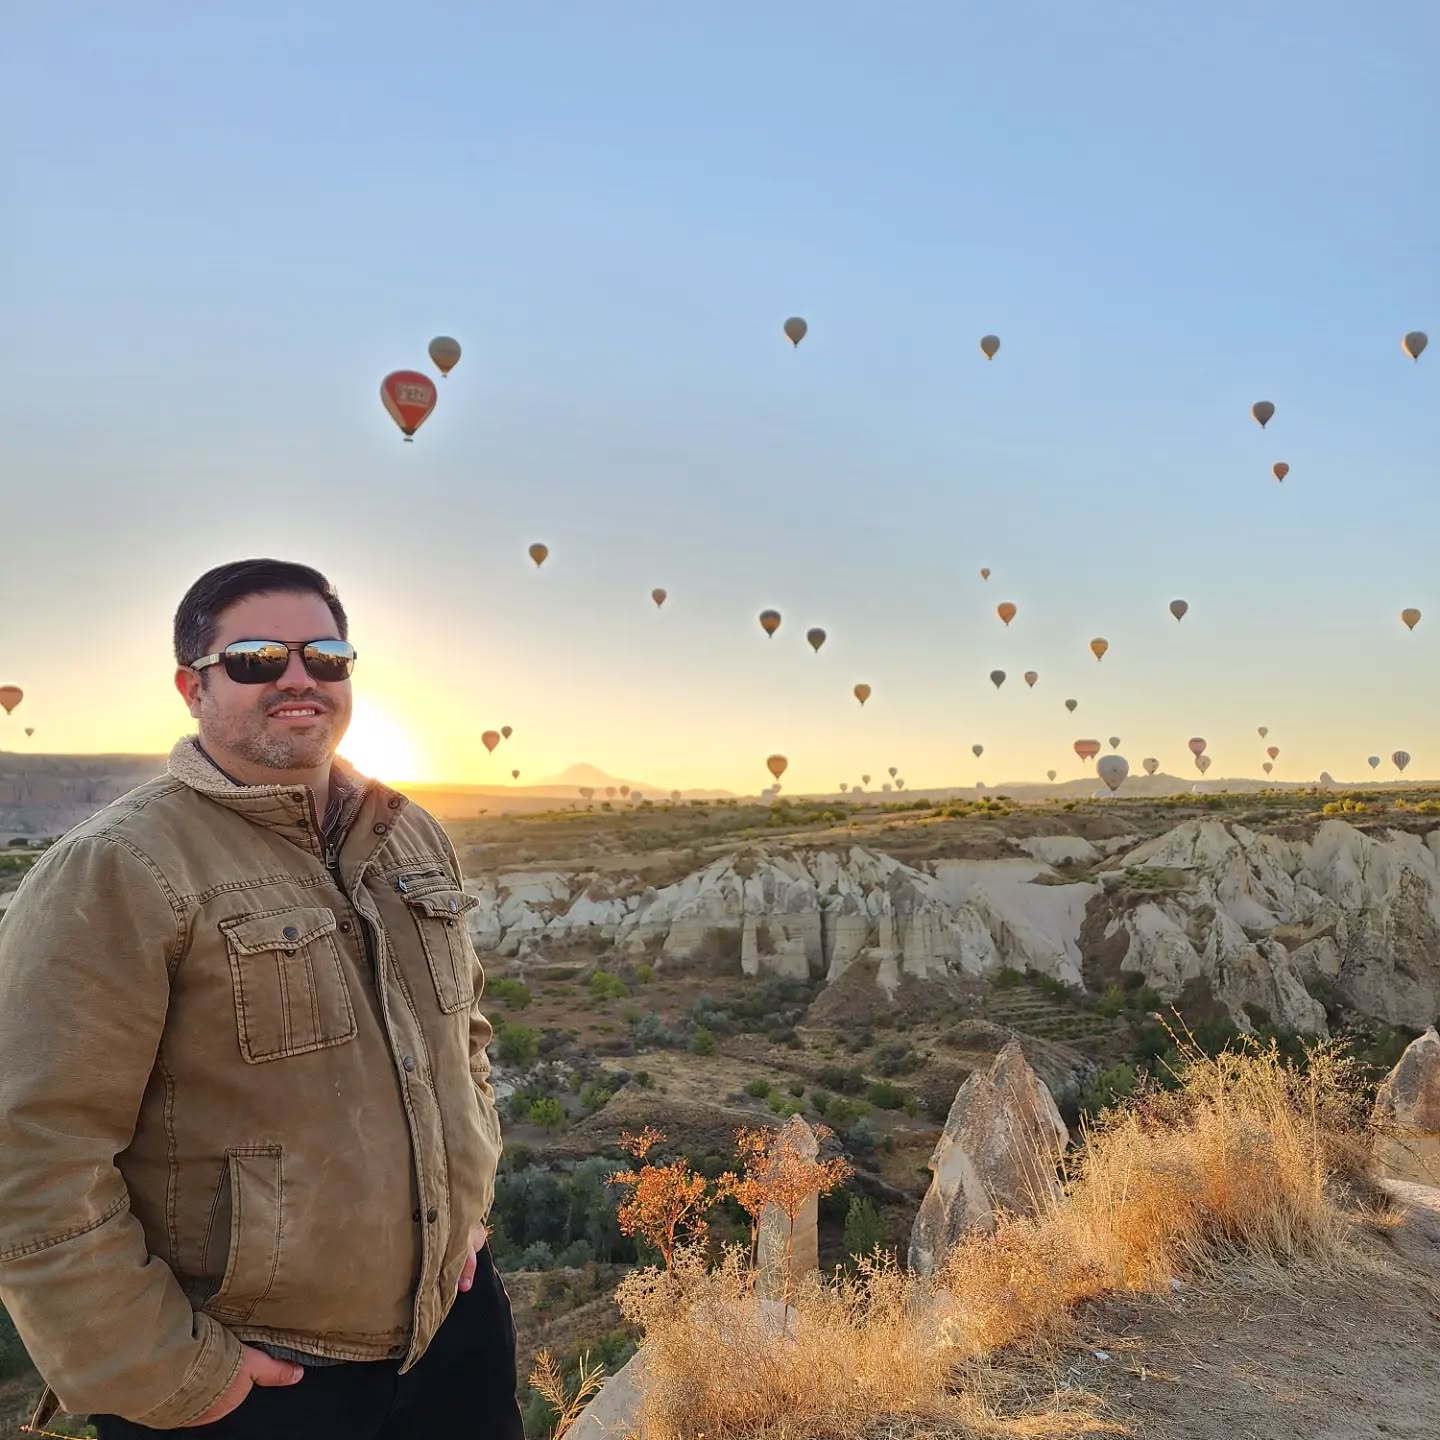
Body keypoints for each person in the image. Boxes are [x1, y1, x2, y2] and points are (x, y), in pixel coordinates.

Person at [0, 559, 522, 1437]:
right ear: (191, 686)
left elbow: (460, 1037)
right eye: (254, 658)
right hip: (259, 1384)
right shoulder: (122, 867)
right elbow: (32, 1149)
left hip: (453, 1340)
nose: (297, 677)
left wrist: (469, 1213)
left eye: (325, 655)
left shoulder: (408, 831)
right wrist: (169, 1375)